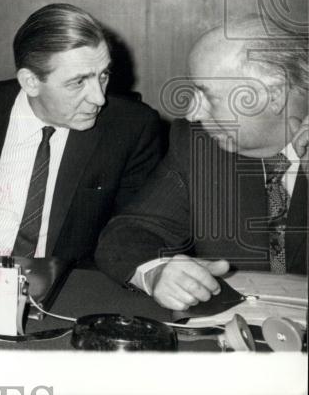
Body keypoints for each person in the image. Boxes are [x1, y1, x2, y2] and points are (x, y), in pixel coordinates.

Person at [0, 3, 163, 263]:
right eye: (78, 82)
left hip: (61, 291)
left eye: (103, 75)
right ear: (31, 82)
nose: (99, 98)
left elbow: (138, 230)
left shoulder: (132, 128)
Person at [96, 19, 308, 310]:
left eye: (207, 95)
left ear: (273, 95)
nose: (193, 114)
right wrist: (157, 271)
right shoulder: (200, 145)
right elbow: (126, 234)